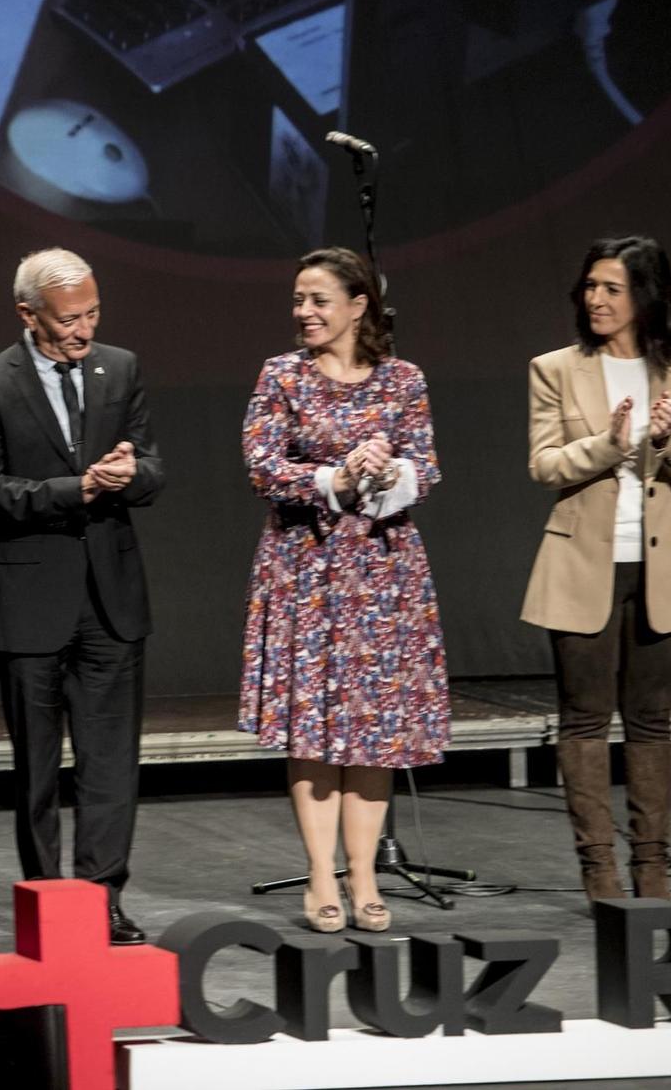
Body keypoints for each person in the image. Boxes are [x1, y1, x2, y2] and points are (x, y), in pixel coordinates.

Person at [237, 247, 448, 934]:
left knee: (374, 732)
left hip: (383, 574)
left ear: (360, 305)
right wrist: (335, 476)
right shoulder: (282, 376)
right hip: (307, 569)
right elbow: (264, 466)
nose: (304, 312)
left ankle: (363, 874)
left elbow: (428, 468)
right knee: (316, 727)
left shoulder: (403, 379)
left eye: (319, 300)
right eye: (299, 299)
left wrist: (384, 472)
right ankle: (321, 873)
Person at [0, 248, 163, 944]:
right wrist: (71, 490)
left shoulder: (121, 368)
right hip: (28, 601)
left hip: (110, 596)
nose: (84, 329)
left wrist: (129, 474)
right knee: (38, 768)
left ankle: (104, 895)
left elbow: (152, 469)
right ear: (28, 315)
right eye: (70, 318)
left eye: (93, 313)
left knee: (110, 764)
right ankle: (48, 900)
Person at [521, 236, 671, 902]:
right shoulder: (556, 368)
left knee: (652, 719)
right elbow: (545, 465)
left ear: (646, 295)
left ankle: (653, 873)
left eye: (611, 287)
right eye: (590, 286)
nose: (595, 298)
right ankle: (600, 873)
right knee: (583, 718)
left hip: (668, 564)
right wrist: (608, 445)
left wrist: (667, 439)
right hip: (583, 562)